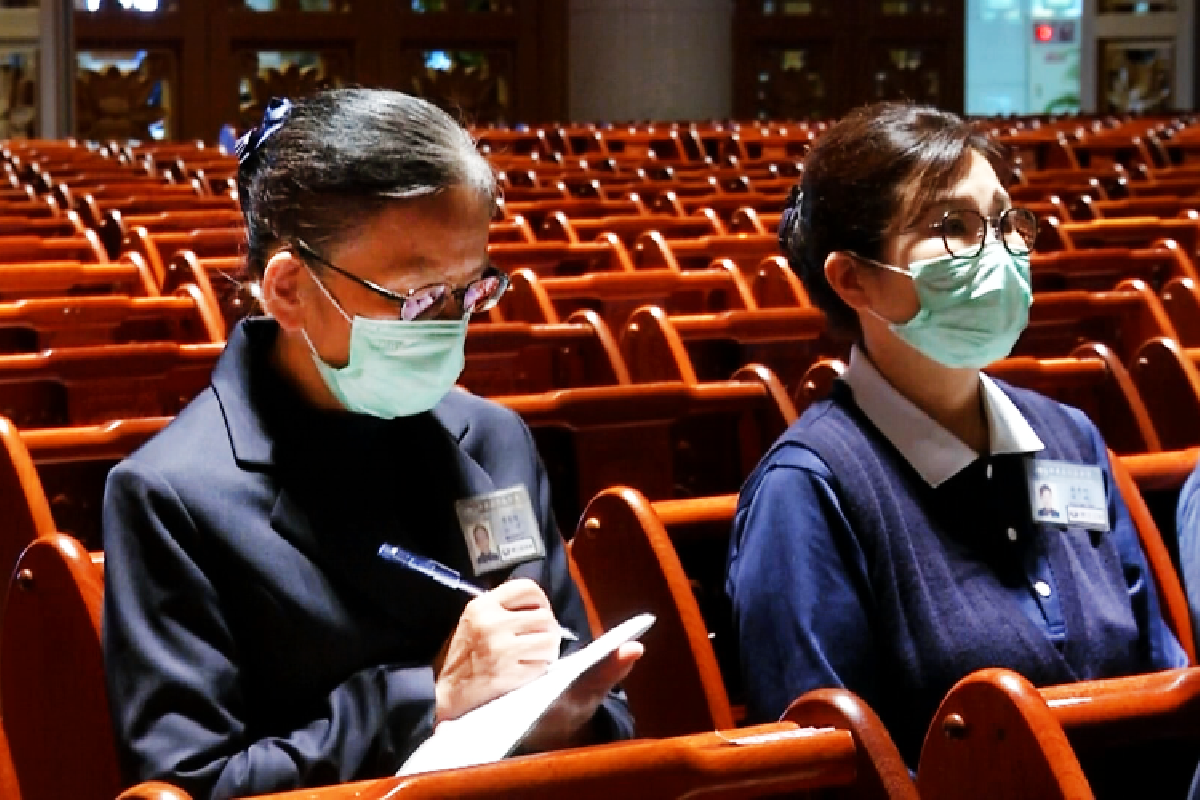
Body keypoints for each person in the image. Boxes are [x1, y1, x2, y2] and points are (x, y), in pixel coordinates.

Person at [102, 88, 640, 800]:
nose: (451, 326)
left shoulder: (494, 437)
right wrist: (426, 700)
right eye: (417, 297)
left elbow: (600, 704)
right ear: (290, 289)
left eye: (470, 292)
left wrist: (577, 711)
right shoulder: (173, 495)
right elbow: (192, 784)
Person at [725, 102, 1187, 767]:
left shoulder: (1070, 438)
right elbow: (823, 771)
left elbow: (1163, 680)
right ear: (852, 278)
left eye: (1005, 221)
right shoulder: (806, 491)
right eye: (954, 227)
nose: (999, 249)